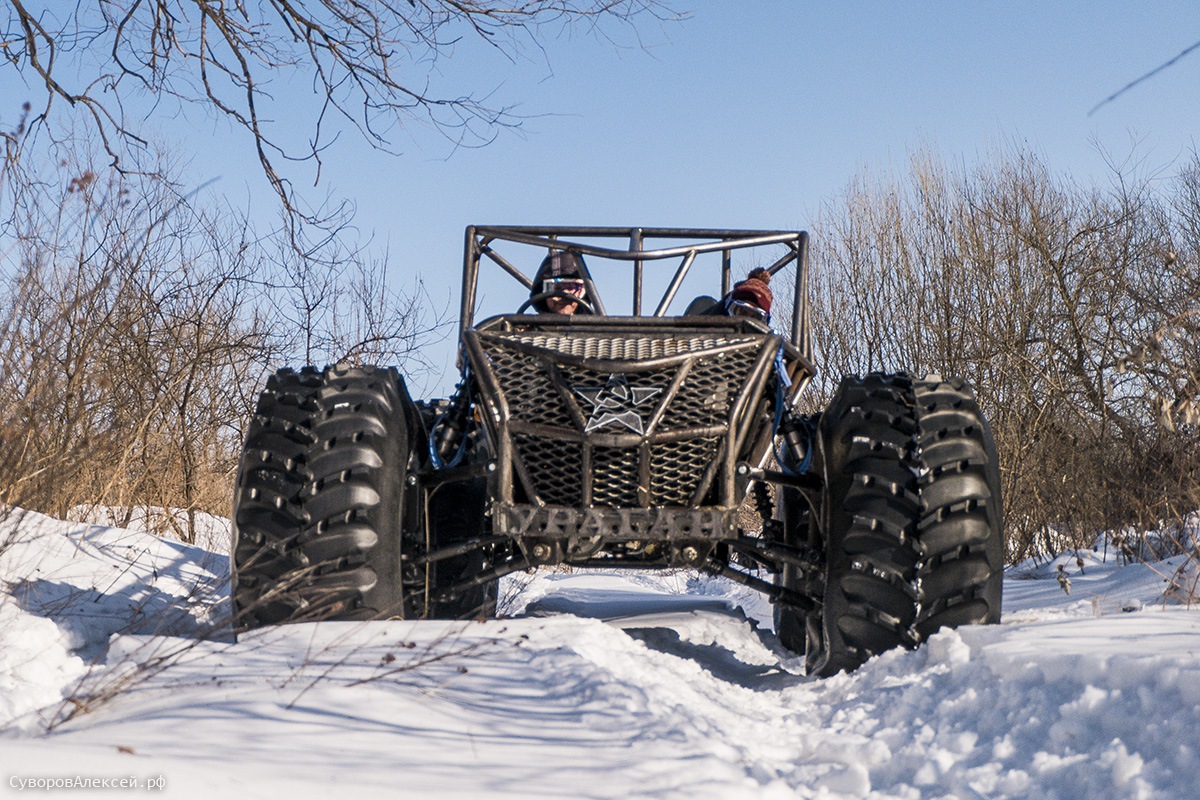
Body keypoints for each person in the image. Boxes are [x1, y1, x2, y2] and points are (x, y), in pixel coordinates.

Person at [683, 267, 773, 322]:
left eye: (755, 318)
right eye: (741, 312)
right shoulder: (704, 336)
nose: (745, 322)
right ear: (728, 308)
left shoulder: (770, 348)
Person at [530, 250, 591, 315]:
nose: (564, 295)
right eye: (557, 288)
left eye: (571, 288)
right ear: (542, 293)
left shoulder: (599, 324)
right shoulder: (526, 323)